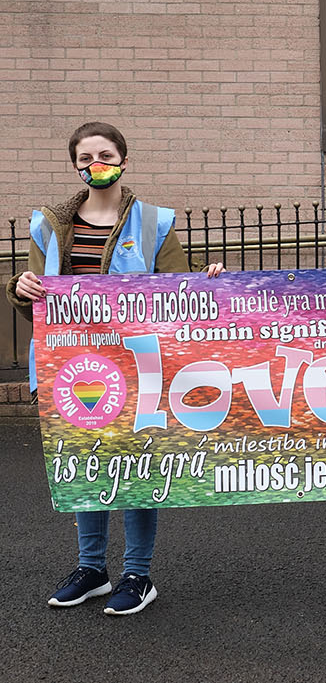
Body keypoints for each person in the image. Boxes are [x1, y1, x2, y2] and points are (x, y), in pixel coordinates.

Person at [6, 121, 224, 616]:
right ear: (75, 165)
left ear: (124, 160)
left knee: (137, 470)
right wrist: (20, 289)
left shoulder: (152, 222)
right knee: (85, 467)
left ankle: (138, 575)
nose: (95, 164)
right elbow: (36, 301)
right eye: (85, 158)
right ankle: (92, 570)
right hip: (73, 372)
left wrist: (209, 281)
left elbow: (178, 293)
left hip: (138, 369)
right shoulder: (49, 224)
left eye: (104, 154)